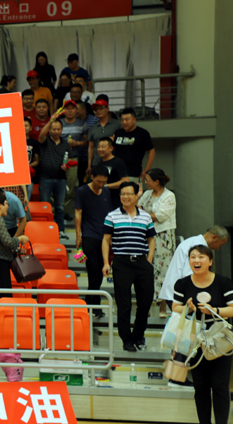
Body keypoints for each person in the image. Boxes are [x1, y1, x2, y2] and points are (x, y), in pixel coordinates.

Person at [172, 245, 233, 424]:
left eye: (201, 257)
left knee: (220, 386)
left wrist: (215, 310)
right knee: (200, 387)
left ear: (210, 261)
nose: (196, 260)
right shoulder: (182, 284)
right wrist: (188, 308)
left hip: (220, 340)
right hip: (194, 341)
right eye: (193, 257)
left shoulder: (224, 282)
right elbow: (175, 307)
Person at [102, 181, 156, 352]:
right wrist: (106, 262)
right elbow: (106, 240)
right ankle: (126, 340)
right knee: (124, 304)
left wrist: (149, 260)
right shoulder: (112, 216)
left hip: (142, 263)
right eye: (122, 194)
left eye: (129, 194)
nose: (125, 197)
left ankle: (138, 336)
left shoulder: (145, 216)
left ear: (136, 195)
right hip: (122, 263)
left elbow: (151, 240)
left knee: (145, 302)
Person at [0, 189, 30, 317]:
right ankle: (0, 327)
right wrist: (20, 239)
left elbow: (1, 244)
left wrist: (16, 249)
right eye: (6, 203)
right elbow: (8, 241)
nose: (8, 206)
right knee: (2, 300)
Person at [136, 169, 176, 317]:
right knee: (145, 269)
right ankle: (145, 307)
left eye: (148, 180)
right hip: (145, 234)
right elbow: (136, 208)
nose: (146, 182)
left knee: (163, 270)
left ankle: (162, 307)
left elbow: (160, 216)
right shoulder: (147, 194)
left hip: (163, 237)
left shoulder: (169, 196)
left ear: (156, 181)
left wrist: (142, 214)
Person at [160, 226, 229, 309]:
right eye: (220, 244)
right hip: (180, 293)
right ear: (214, 237)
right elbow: (189, 273)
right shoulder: (197, 246)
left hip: (177, 291)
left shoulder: (193, 241)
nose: (218, 248)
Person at [74, 165, 111, 318]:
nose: (101, 184)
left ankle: (89, 302)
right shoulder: (82, 191)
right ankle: (95, 306)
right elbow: (78, 213)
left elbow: (108, 214)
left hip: (104, 237)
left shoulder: (106, 192)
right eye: (99, 181)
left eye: (104, 182)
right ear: (92, 177)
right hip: (89, 235)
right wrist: (78, 235)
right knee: (93, 271)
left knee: (100, 272)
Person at [38, 116, 71, 240]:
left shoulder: (65, 144)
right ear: (49, 130)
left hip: (61, 178)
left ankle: (61, 230)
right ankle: (43, 229)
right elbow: (41, 135)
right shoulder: (45, 141)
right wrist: (50, 121)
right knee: (44, 205)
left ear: (62, 130)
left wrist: (66, 167)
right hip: (46, 178)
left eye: (58, 129)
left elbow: (69, 160)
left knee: (60, 206)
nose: (56, 131)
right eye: (53, 129)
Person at [58, 100, 88, 219]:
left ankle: (66, 211)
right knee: (57, 185)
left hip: (73, 159)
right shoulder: (59, 123)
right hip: (58, 158)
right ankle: (56, 211)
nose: (70, 111)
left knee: (70, 187)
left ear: (76, 110)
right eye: (67, 108)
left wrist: (77, 143)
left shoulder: (82, 124)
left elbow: (86, 141)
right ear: (64, 110)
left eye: (72, 108)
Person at [113, 108, 155, 182]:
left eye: (127, 119)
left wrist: (146, 170)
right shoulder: (118, 132)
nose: (124, 122)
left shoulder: (142, 133)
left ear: (134, 120)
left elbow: (152, 151)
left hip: (133, 174)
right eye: (122, 120)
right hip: (117, 173)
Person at [86, 94, 121, 174]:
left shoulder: (117, 124)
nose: (98, 111)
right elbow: (91, 148)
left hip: (114, 162)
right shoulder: (93, 128)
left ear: (108, 109)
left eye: (101, 108)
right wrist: (89, 165)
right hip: (97, 163)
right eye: (96, 109)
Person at [93, 137, 129, 209]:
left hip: (115, 200)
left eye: (103, 147)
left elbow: (125, 181)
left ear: (111, 148)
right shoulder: (100, 162)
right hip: (102, 199)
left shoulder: (118, 162)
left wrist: (106, 185)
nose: (100, 149)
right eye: (99, 147)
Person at [24, 118, 40, 200]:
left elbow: (37, 161)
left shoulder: (34, 143)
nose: (24, 128)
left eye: (26, 125)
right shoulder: (14, 141)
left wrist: (29, 166)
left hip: (29, 175)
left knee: (28, 197)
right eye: (22, 125)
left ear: (30, 128)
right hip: (18, 175)